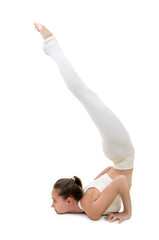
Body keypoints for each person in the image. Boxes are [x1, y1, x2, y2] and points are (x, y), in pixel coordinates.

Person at [34, 22, 135, 224]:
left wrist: (125, 208)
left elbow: (118, 178)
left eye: (54, 201)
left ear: (70, 200)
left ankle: (51, 44)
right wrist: (126, 209)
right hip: (119, 154)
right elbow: (118, 179)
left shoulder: (91, 208)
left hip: (121, 154)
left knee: (86, 95)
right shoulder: (90, 206)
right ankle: (51, 45)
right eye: (54, 200)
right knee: (85, 95)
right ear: (70, 200)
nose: (52, 205)